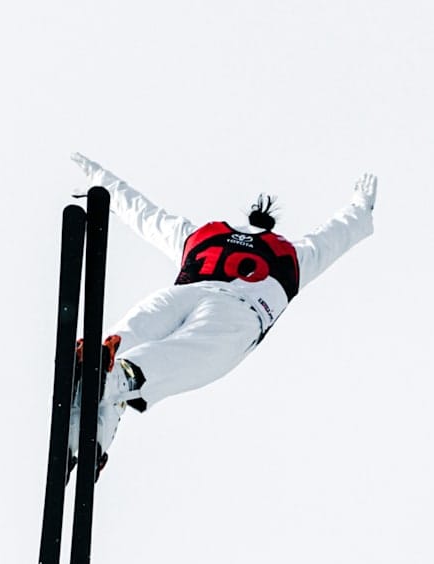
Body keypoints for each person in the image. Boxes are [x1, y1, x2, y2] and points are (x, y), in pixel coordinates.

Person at [68, 152, 379, 473]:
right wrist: (361, 208)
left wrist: (102, 183)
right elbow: (334, 237)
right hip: (237, 311)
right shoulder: (291, 255)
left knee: (138, 330)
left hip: (188, 295)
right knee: (188, 352)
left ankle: (94, 401)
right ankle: (111, 381)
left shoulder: (203, 234)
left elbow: (147, 216)